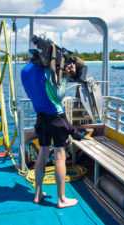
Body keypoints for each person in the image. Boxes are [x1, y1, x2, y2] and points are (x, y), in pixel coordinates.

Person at [21, 59, 84, 208]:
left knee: (43, 153)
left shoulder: (25, 70)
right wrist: (64, 77)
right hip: (55, 116)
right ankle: (61, 199)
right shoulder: (48, 71)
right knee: (60, 157)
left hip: (40, 116)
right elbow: (58, 95)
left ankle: (38, 194)